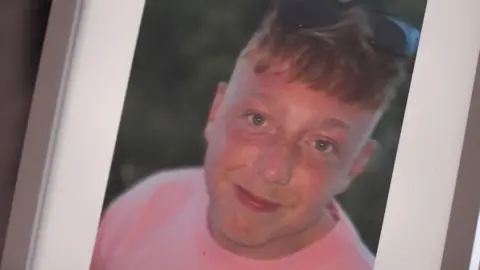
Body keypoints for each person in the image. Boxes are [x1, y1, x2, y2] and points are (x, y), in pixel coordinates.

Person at [90, 0, 419, 269]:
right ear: (216, 111)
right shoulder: (143, 208)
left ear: (355, 167)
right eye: (258, 119)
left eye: (322, 144)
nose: (273, 169)